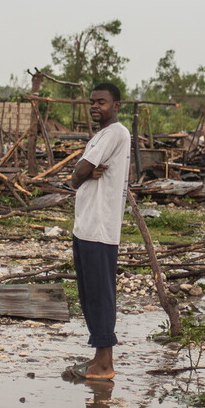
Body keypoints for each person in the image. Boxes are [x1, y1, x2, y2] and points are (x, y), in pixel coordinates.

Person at [69, 82, 129, 380]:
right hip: (88, 226)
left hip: (100, 228)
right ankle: (98, 359)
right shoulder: (102, 135)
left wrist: (82, 174)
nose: (95, 106)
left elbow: (79, 172)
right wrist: (81, 174)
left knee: (100, 295)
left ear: (116, 105)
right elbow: (79, 173)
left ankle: (104, 365)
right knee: (90, 294)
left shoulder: (115, 133)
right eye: (92, 102)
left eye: (102, 102)